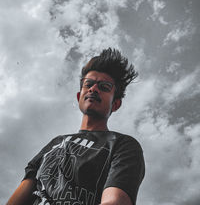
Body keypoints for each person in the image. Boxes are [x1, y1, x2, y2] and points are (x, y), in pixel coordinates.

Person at [6, 48, 145, 205]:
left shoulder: (123, 145)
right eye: (88, 84)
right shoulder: (56, 142)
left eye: (104, 87)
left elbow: (115, 202)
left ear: (116, 104)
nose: (93, 89)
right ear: (79, 96)